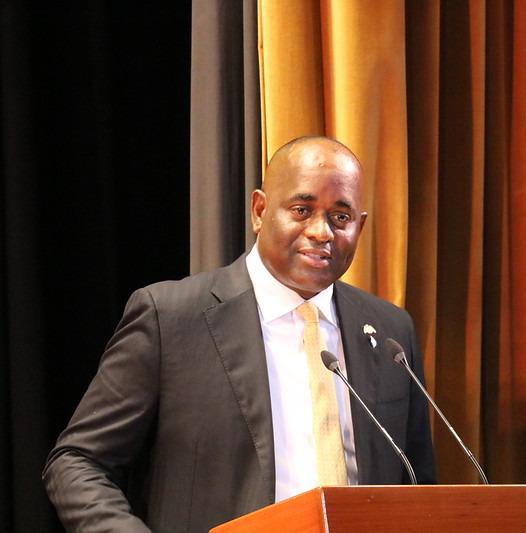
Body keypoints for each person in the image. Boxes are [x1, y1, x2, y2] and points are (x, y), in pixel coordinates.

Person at [43, 136, 436, 532]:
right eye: (302, 210)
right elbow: (77, 461)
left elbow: (418, 484)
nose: (322, 232)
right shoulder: (172, 317)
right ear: (260, 211)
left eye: (340, 217)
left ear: (359, 225)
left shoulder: (389, 330)